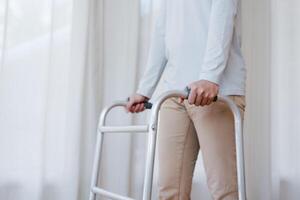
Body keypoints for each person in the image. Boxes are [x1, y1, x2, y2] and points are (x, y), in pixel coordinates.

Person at [126, 0, 246, 199]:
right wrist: (145, 89)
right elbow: (161, 31)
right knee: (170, 190)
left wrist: (210, 76)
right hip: (173, 95)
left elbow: (223, 15)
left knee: (225, 191)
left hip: (215, 92)